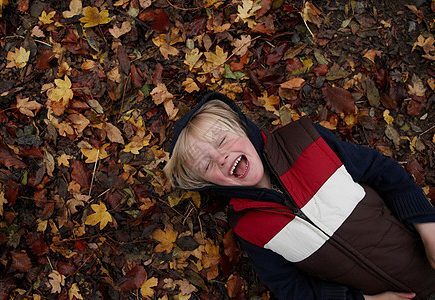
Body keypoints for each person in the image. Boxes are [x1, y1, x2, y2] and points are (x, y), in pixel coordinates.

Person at [164, 92, 435, 300]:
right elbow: (291, 287)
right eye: (208, 165)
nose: (221, 158)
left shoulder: (304, 140)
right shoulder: (248, 225)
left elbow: (382, 171)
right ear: (206, 182)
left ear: (242, 128)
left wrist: (427, 228)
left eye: (222, 141)